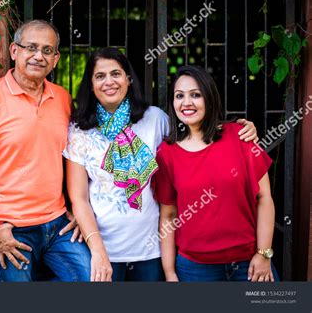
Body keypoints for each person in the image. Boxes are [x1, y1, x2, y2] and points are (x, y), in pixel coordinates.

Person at [64, 48, 258, 281]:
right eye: (100, 76)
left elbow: (194, 137)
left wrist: (235, 130)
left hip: (151, 250)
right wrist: (97, 250)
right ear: (91, 84)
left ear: (128, 79)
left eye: (116, 73)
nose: (109, 82)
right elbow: (79, 198)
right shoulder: (79, 130)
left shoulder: (155, 119)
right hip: (104, 250)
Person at [0, 20, 90, 282]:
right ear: (14, 51)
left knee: (94, 280)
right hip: (9, 228)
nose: (39, 56)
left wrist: (75, 209)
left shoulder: (62, 98)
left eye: (47, 50)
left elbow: (71, 159)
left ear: (56, 59)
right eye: (31, 48)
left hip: (58, 224)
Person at [154, 65, 278, 282]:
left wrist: (264, 253)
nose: (186, 103)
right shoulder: (167, 153)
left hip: (249, 263)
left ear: (209, 98)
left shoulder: (240, 136)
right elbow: (168, 216)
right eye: (179, 96)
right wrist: (169, 272)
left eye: (195, 95)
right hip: (194, 269)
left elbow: (264, 198)